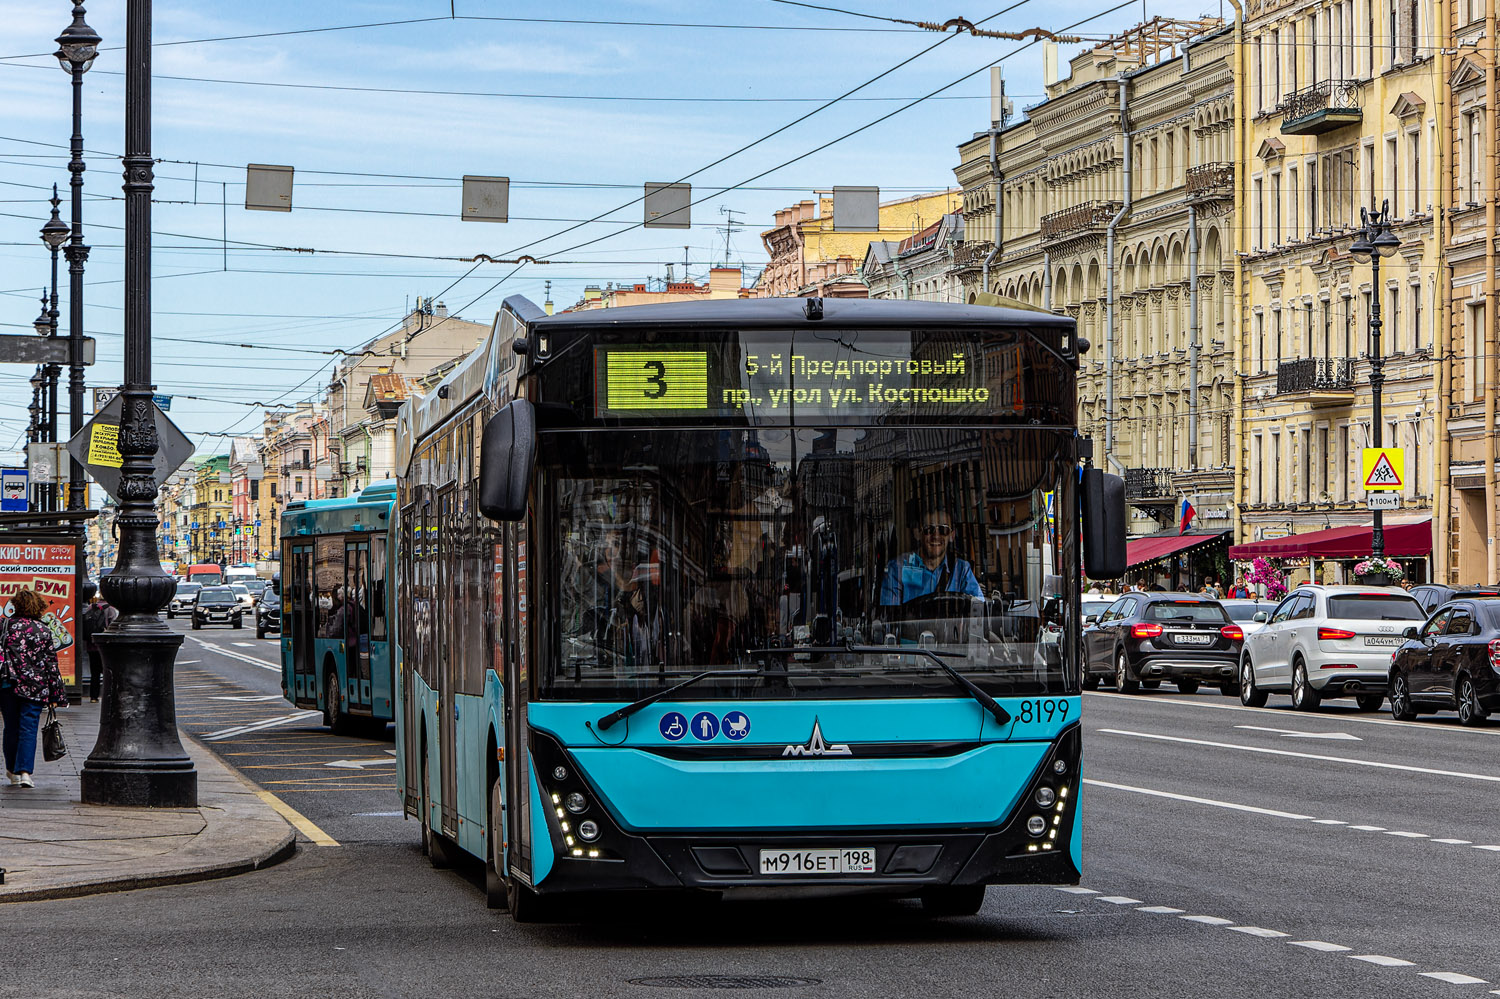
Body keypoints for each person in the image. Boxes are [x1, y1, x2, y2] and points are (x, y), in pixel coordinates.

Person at [1, 589, 68, 788]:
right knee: (28, 728)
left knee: (10, 727)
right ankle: (25, 773)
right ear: (38, 607)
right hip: (35, 686)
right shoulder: (43, 630)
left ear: (15, 605)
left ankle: (12, 771)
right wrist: (56, 694)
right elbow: (51, 665)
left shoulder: (5, 625)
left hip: (7, 683)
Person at [879, 505, 982, 607]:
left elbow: (978, 611)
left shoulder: (962, 570)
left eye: (943, 530)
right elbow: (890, 616)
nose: (936, 536)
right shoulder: (898, 568)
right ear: (918, 533)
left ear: (952, 535)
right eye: (929, 529)